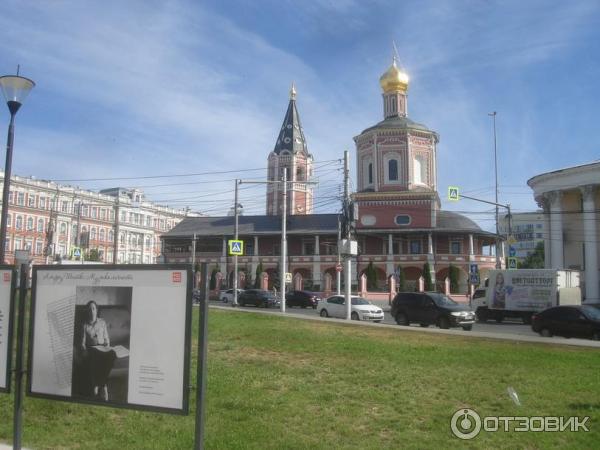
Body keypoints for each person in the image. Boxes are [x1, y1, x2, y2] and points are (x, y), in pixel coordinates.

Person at [81, 300, 116, 401]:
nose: (92, 311)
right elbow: (82, 343)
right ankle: (103, 386)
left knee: (112, 354)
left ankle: (98, 383)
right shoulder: (84, 325)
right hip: (92, 348)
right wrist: (84, 350)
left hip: (102, 347)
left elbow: (106, 338)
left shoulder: (102, 322)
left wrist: (107, 345)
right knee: (96, 356)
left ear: (96, 310)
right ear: (87, 311)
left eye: (93, 308)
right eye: (89, 309)